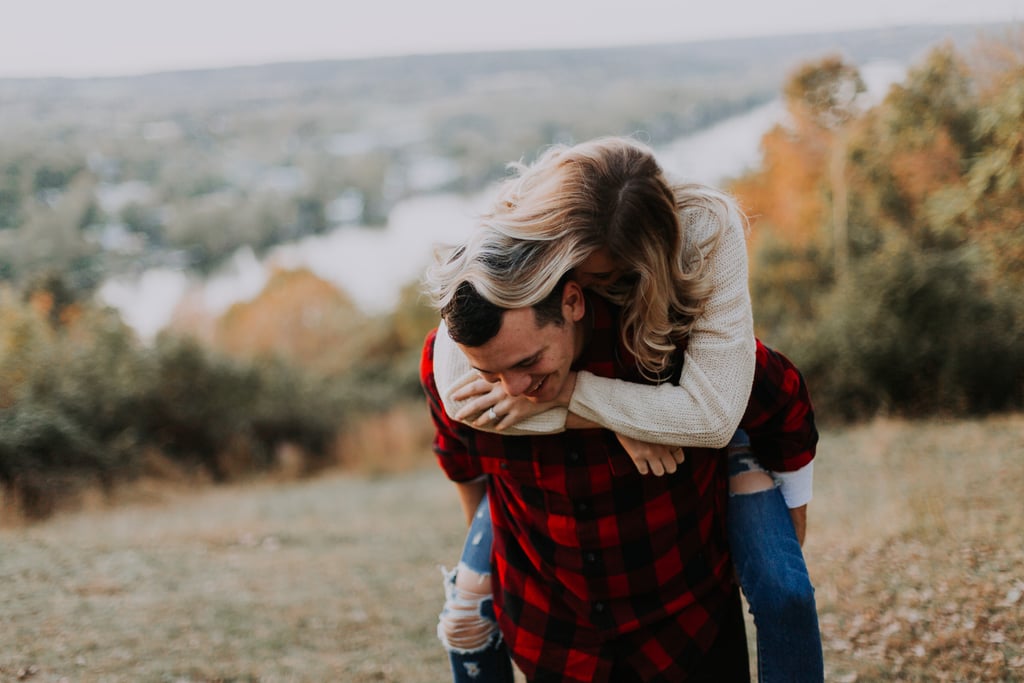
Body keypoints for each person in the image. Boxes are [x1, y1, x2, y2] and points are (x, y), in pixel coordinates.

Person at [426, 137, 822, 681]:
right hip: (554, 630)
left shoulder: (701, 245)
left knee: (785, 595)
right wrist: (619, 413)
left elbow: (730, 410)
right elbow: (456, 406)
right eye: (590, 277)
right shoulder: (515, 235)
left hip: (684, 615)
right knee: (466, 614)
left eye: (612, 280)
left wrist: (599, 399)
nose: (605, 292)